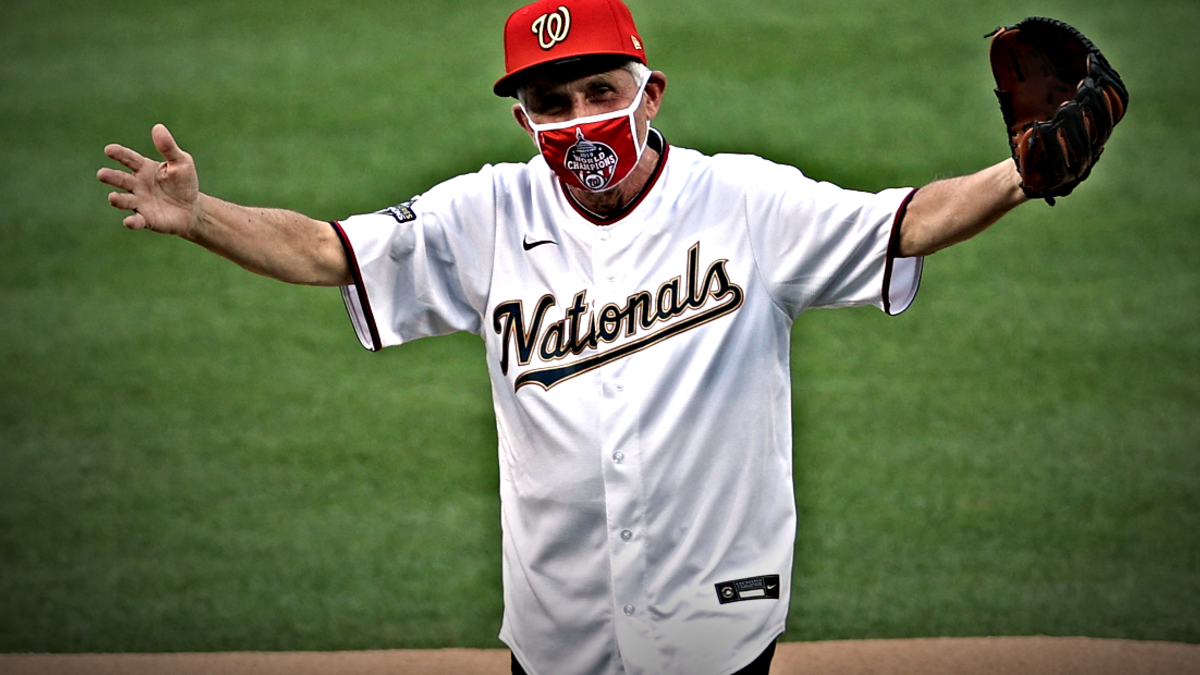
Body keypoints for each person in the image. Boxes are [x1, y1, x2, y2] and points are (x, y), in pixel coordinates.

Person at [97, 0, 1031, 673]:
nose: (581, 121)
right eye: (552, 103)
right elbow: (325, 251)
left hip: (717, 627)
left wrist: (1021, 174)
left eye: (600, 91)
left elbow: (906, 220)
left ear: (651, 94)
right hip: (557, 636)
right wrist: (202, 215)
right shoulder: (485, 213)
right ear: (522, 118)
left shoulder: (747, 201)